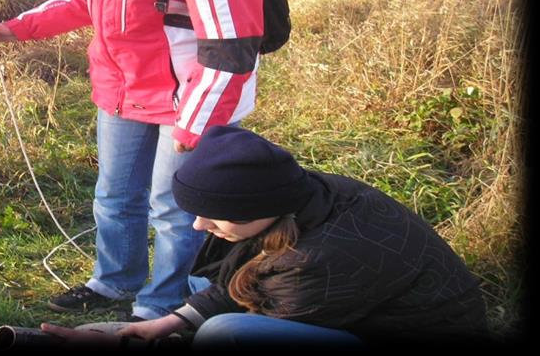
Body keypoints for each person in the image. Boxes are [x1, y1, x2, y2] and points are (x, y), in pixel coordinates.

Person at [0, 0, 282, 321]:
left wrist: (196, 125)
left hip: (192, 100)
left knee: (176, 208)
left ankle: (162, 304)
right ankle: (115, 280)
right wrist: (19, 27)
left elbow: (231, 46)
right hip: (123, 91)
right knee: (113, 196)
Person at [39, 125, 489, 348]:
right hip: (355, 305)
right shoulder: (302, 195)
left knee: (226, 332)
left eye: (214, 215)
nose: (198, 226)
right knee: (203, 290)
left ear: (260, 208)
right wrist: (165, 324)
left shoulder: (319, 261)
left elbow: (248, 295)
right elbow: (238, 276)